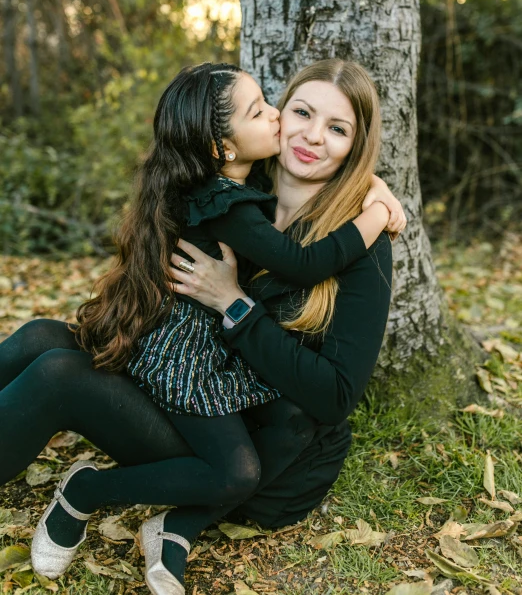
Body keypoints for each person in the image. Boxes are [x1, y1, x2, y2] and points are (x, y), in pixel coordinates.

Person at [0, 59, 399, 595]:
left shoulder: (358, 249)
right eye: (299, 112)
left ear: (357, 145)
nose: (308, 135)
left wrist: (234, 305)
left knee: (59, 374)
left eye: (338, 129)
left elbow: (332, 398)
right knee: (41, 338)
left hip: (253, 443)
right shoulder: (238, 181)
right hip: (184, 377)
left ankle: (91, 494)